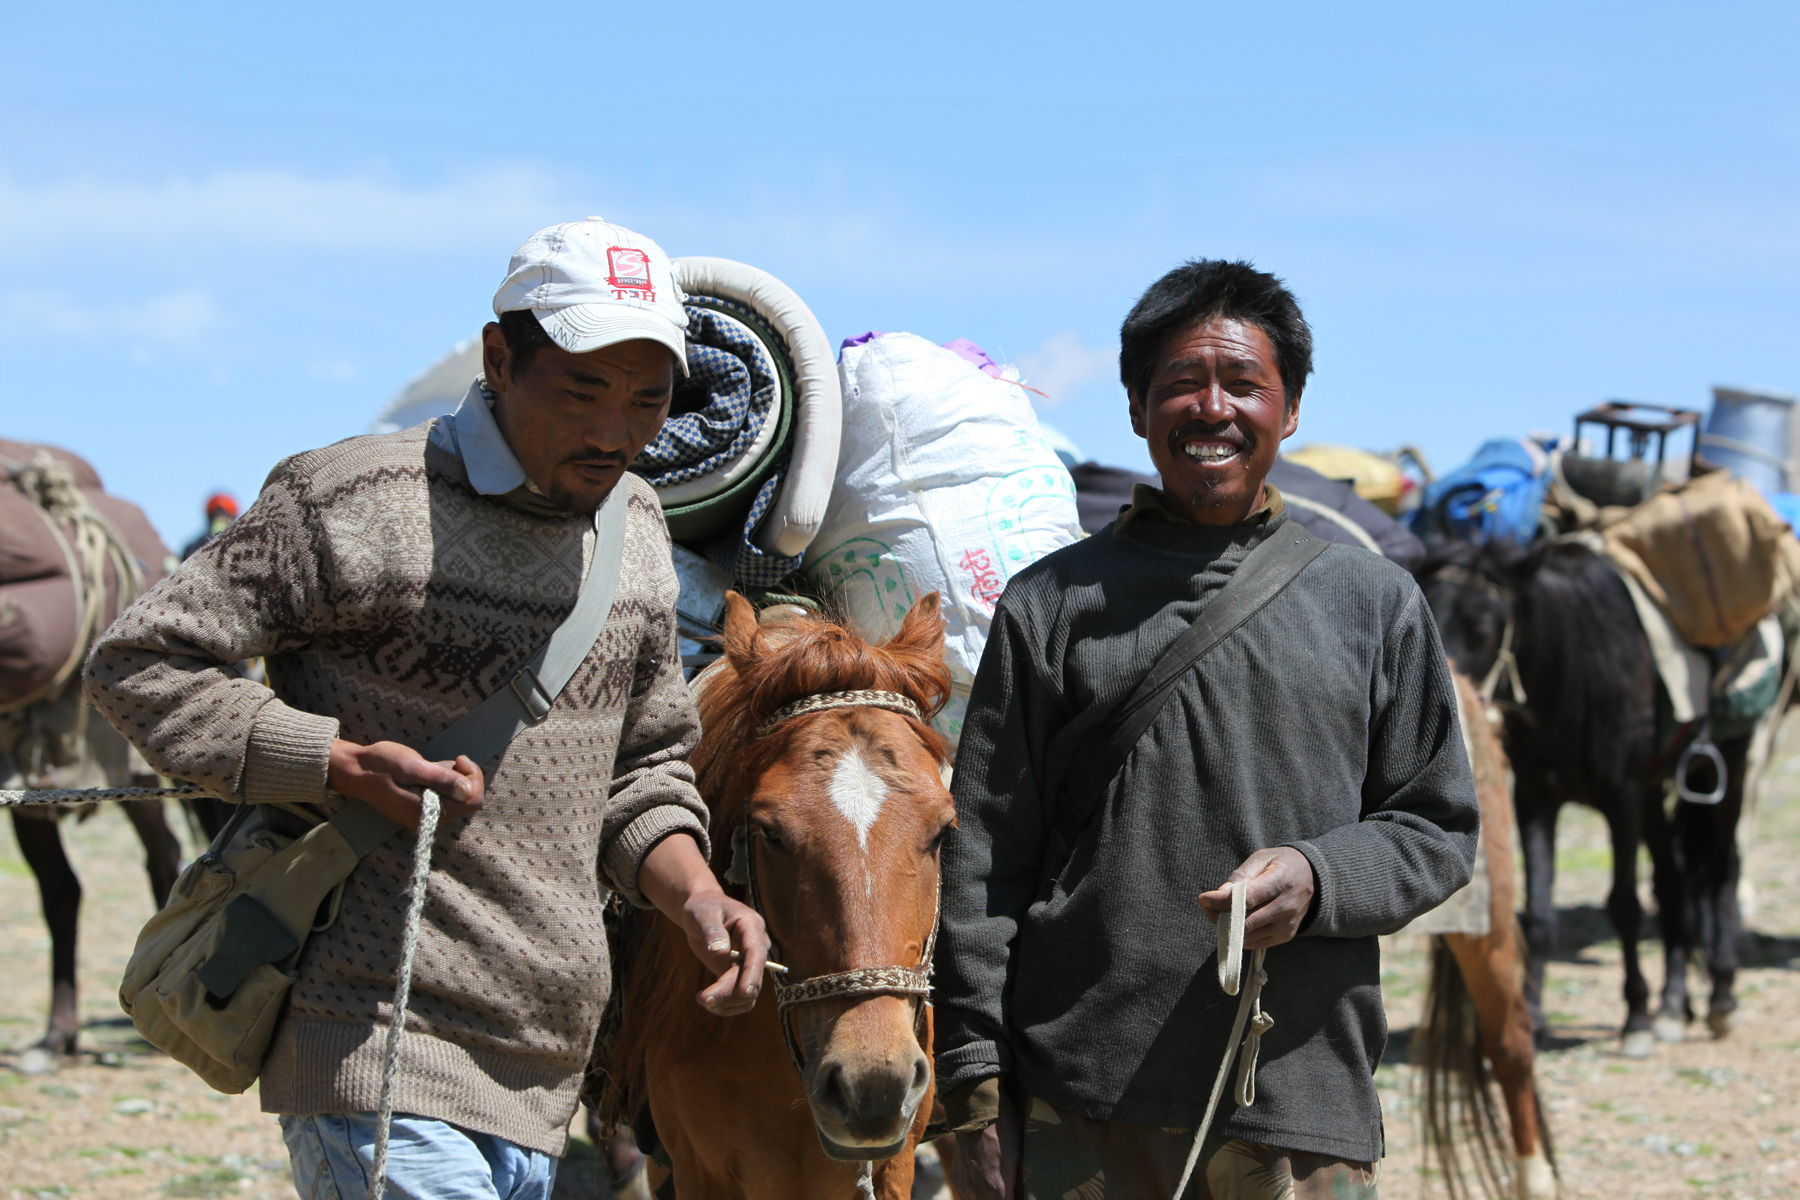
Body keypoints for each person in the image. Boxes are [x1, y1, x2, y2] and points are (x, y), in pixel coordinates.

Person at [84, 217, 769, 1199]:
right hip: (376, 1036)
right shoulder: (350, 499)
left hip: (544, 1066)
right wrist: (334, 763)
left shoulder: (639, 530)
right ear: (499, 359)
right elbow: (140, 661)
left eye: (647, 400)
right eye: (581, 390)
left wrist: (698, 896)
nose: (614, 431)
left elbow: (644, 769)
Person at [933, 260, 1479, 1199]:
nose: (1213, 407)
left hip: (1296, 1095)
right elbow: (983, 861)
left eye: (1244, 384)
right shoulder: (1051, 606)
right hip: (1080, 1105)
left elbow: (1437, 828)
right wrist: (976, 1089)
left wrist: (1318, 876)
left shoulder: (1374, 602)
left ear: (1291, 409)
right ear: (1138, 408)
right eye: (1183, 382)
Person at [181, 491, 240, 559]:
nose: (220, 518)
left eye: (224, 514)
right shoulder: (193, 547)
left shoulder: (238, 545)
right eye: (216, 514)